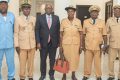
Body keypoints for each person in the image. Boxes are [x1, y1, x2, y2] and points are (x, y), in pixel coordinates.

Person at [82, 5, 108, 80]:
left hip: (98, 46)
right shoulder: (85, 22)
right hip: (88, 45)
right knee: (87, 62)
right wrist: (83, 45)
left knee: (98, 62)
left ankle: (98, 75)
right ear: (90, 13)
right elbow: (83, 34)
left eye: (95, 12)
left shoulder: (102, 22)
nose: (94, 14)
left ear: (98, 14)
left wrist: (105, 45)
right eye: (92, 12)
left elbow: (105, 35)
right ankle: (86, 75)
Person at [35, 3, 60, 80]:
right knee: (43, 60)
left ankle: (51, 74)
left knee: (52, 60)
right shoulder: (40, 18)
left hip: (53, 43)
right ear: (45, 9)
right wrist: (38, 42)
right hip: (43, 43)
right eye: (47, 8)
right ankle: (43, 74)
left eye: (50, 8)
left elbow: (58, 30)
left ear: (52, 9)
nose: (48, 9)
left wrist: (58, 42)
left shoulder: (56, 18)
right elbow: (37, 30)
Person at [14, 1, 36, 80]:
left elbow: (35, 31)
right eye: (25, 9)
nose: (26, 10)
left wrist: (36, 44)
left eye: (28, 9)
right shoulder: (18, 19)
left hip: (32, 45)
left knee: (31, 63)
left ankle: (30, 76)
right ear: (22, 10)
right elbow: (16, 33)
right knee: (22, 63)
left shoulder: (34, 19)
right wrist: (16, 45)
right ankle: (22, 76)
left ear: (30, 10)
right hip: (22, 45)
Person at [60, 5, 83, 80]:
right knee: (65, 59)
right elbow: (61, 34)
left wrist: (81, 45)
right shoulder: (63, 21)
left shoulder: (78, 21)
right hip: (65, 44)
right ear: (67, 12)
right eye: (69, 11)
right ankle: (64, 75)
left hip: (76, 44)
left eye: (72, 11)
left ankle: (73, 74)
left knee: (75, 60)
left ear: (74, 12)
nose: (70, 13)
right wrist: (60, 46)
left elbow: (81, 34)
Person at [0, 0, 15, 80]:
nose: (3, 6)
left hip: (10, 44)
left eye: (4, 4)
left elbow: (14, 30)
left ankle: (11, 77)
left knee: (11, 63)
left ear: (7, 6)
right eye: (1, 4)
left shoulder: (12, 16)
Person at [106, 5, 120, 80]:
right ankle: (111, 75)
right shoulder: (109, 20)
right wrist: (107, 44)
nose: (117, 12)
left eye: (118, 10)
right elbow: (107, 33)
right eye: (115, 11)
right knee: (111, 61)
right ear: (113, 12)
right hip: (112, 43)